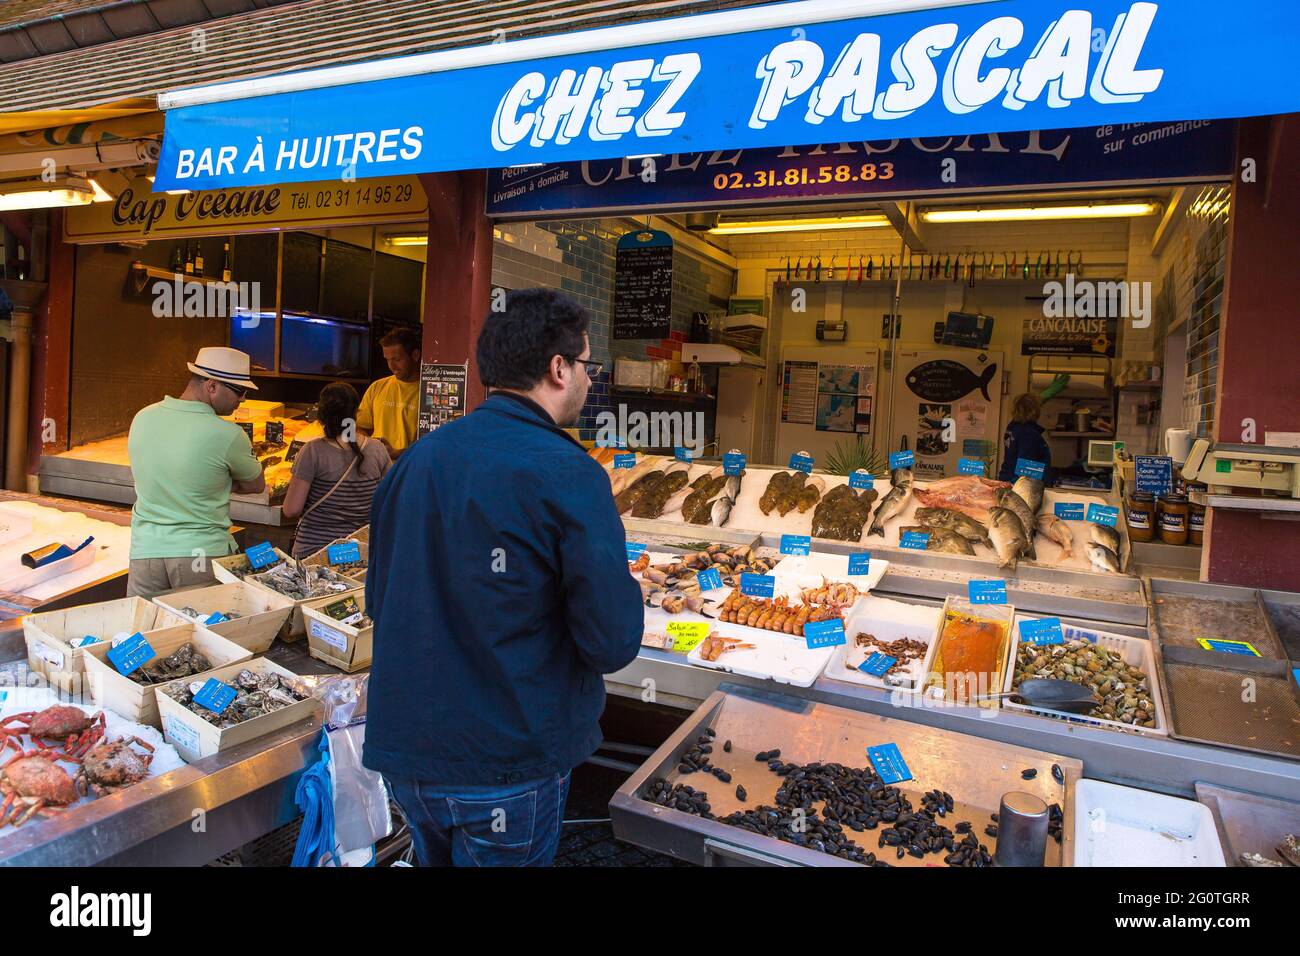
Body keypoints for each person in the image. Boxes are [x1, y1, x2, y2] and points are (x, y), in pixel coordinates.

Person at [364, 288, 642, 867]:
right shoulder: (569, 472)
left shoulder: (414, 461)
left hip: (407, 758)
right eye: (587, 364)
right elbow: (611, 642)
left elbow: (379, 601)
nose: (589, 379)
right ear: (559, 368)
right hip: (506, 763)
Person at [126, 347, 264, 597]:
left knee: (145, 621)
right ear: (212, 385)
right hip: (199, 553)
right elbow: (255, 485)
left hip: (145, 552)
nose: (242, 399)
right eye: (239, 391)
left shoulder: (142, 417)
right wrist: (217, 482)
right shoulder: (229, 435)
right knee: (202, 620)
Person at [282, 383, 391, 558]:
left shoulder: (312, 451)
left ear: (321, 416)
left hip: (314, 554)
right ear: (356, 413)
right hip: (359, 554)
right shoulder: (377, 448)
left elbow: (291, 510)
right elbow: (390, 501)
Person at [357, 328, 421, 459]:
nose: (391, 366)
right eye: (387, 359)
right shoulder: (377, 387)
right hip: (376, 467)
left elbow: (433, 444)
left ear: (415, 355)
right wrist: (369, 444)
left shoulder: (430, 392)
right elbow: (360, 428)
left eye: (397, 359)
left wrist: (398, 454)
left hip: (410, 467)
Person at [998, 392, 1055, 484]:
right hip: (1021, 484)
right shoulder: (1029, 434)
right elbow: (1026, 468)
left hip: (1007, 477)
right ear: (1034, 411)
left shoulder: (1012, 427)